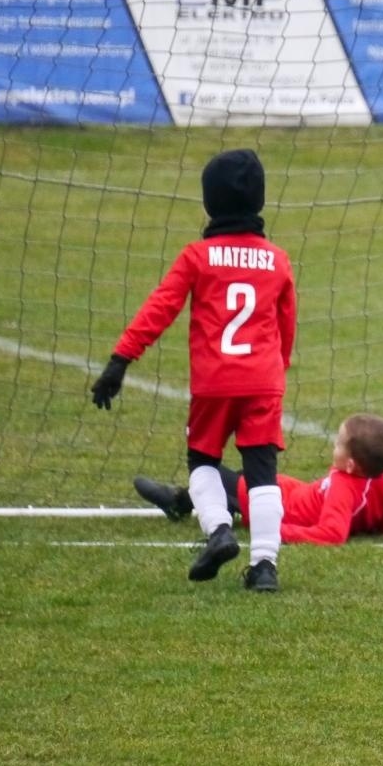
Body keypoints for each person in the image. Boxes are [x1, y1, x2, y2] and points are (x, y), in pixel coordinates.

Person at [91, 149, 296, 591]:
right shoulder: (278, 260)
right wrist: (277, 370)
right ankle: (265, 567)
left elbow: (160, 308)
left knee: (203, 459)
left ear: (210, 201)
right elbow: (287, 326)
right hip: (263, 383)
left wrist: (121, 359)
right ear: (259, 199)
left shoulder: (198, 257)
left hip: (215, 383)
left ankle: (219, 531)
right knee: (262, 471)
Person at [133, 413, 383, 545]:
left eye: (339, 444)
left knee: (211, 471)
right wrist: (377, 527)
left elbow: (331, 534)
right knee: (241, 479)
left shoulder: (343, 486)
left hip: (281, 508)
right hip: (296, 493)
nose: (334, 446)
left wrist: (275, 530)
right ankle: (208, 503)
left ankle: (178, 501)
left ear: (351, 465)